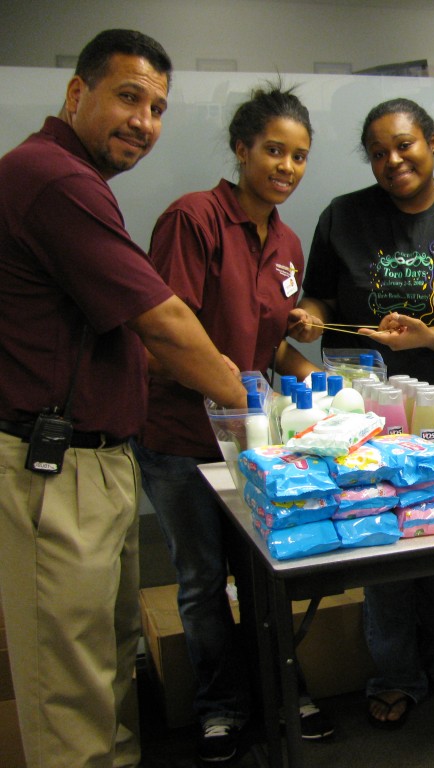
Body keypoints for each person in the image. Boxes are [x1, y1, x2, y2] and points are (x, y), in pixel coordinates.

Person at [0, 29, 249, 768]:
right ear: (77, 93)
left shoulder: (71, 179)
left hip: (100, 461)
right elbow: (167, 323)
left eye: (159, 107)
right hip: (56, 471)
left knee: (103, 665)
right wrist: (256, 404)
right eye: (128, 97)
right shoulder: (54, 180)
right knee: (70, 691)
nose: (145, 121)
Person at [298, 98, 434, 728]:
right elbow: (319, 297)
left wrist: (424, 337)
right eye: (379, 152)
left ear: (433, 143)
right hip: (362, 416)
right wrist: (306, 316)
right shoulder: (344, 216)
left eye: (405, 145)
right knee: (382, 542)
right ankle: (395, 671)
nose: (393, 161)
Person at [133, 83, 330, 762]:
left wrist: (322, 378)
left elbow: (265, 346)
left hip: (252, 442)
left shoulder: (287, 243)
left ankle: (281, 691)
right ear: (241, 149)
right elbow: (169, 332)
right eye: (273, 150)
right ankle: (220, 707)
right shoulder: (192, 219)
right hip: (180, 439)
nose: (286, 166)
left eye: (299, 156)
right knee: (200, 578)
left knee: (265, 571)